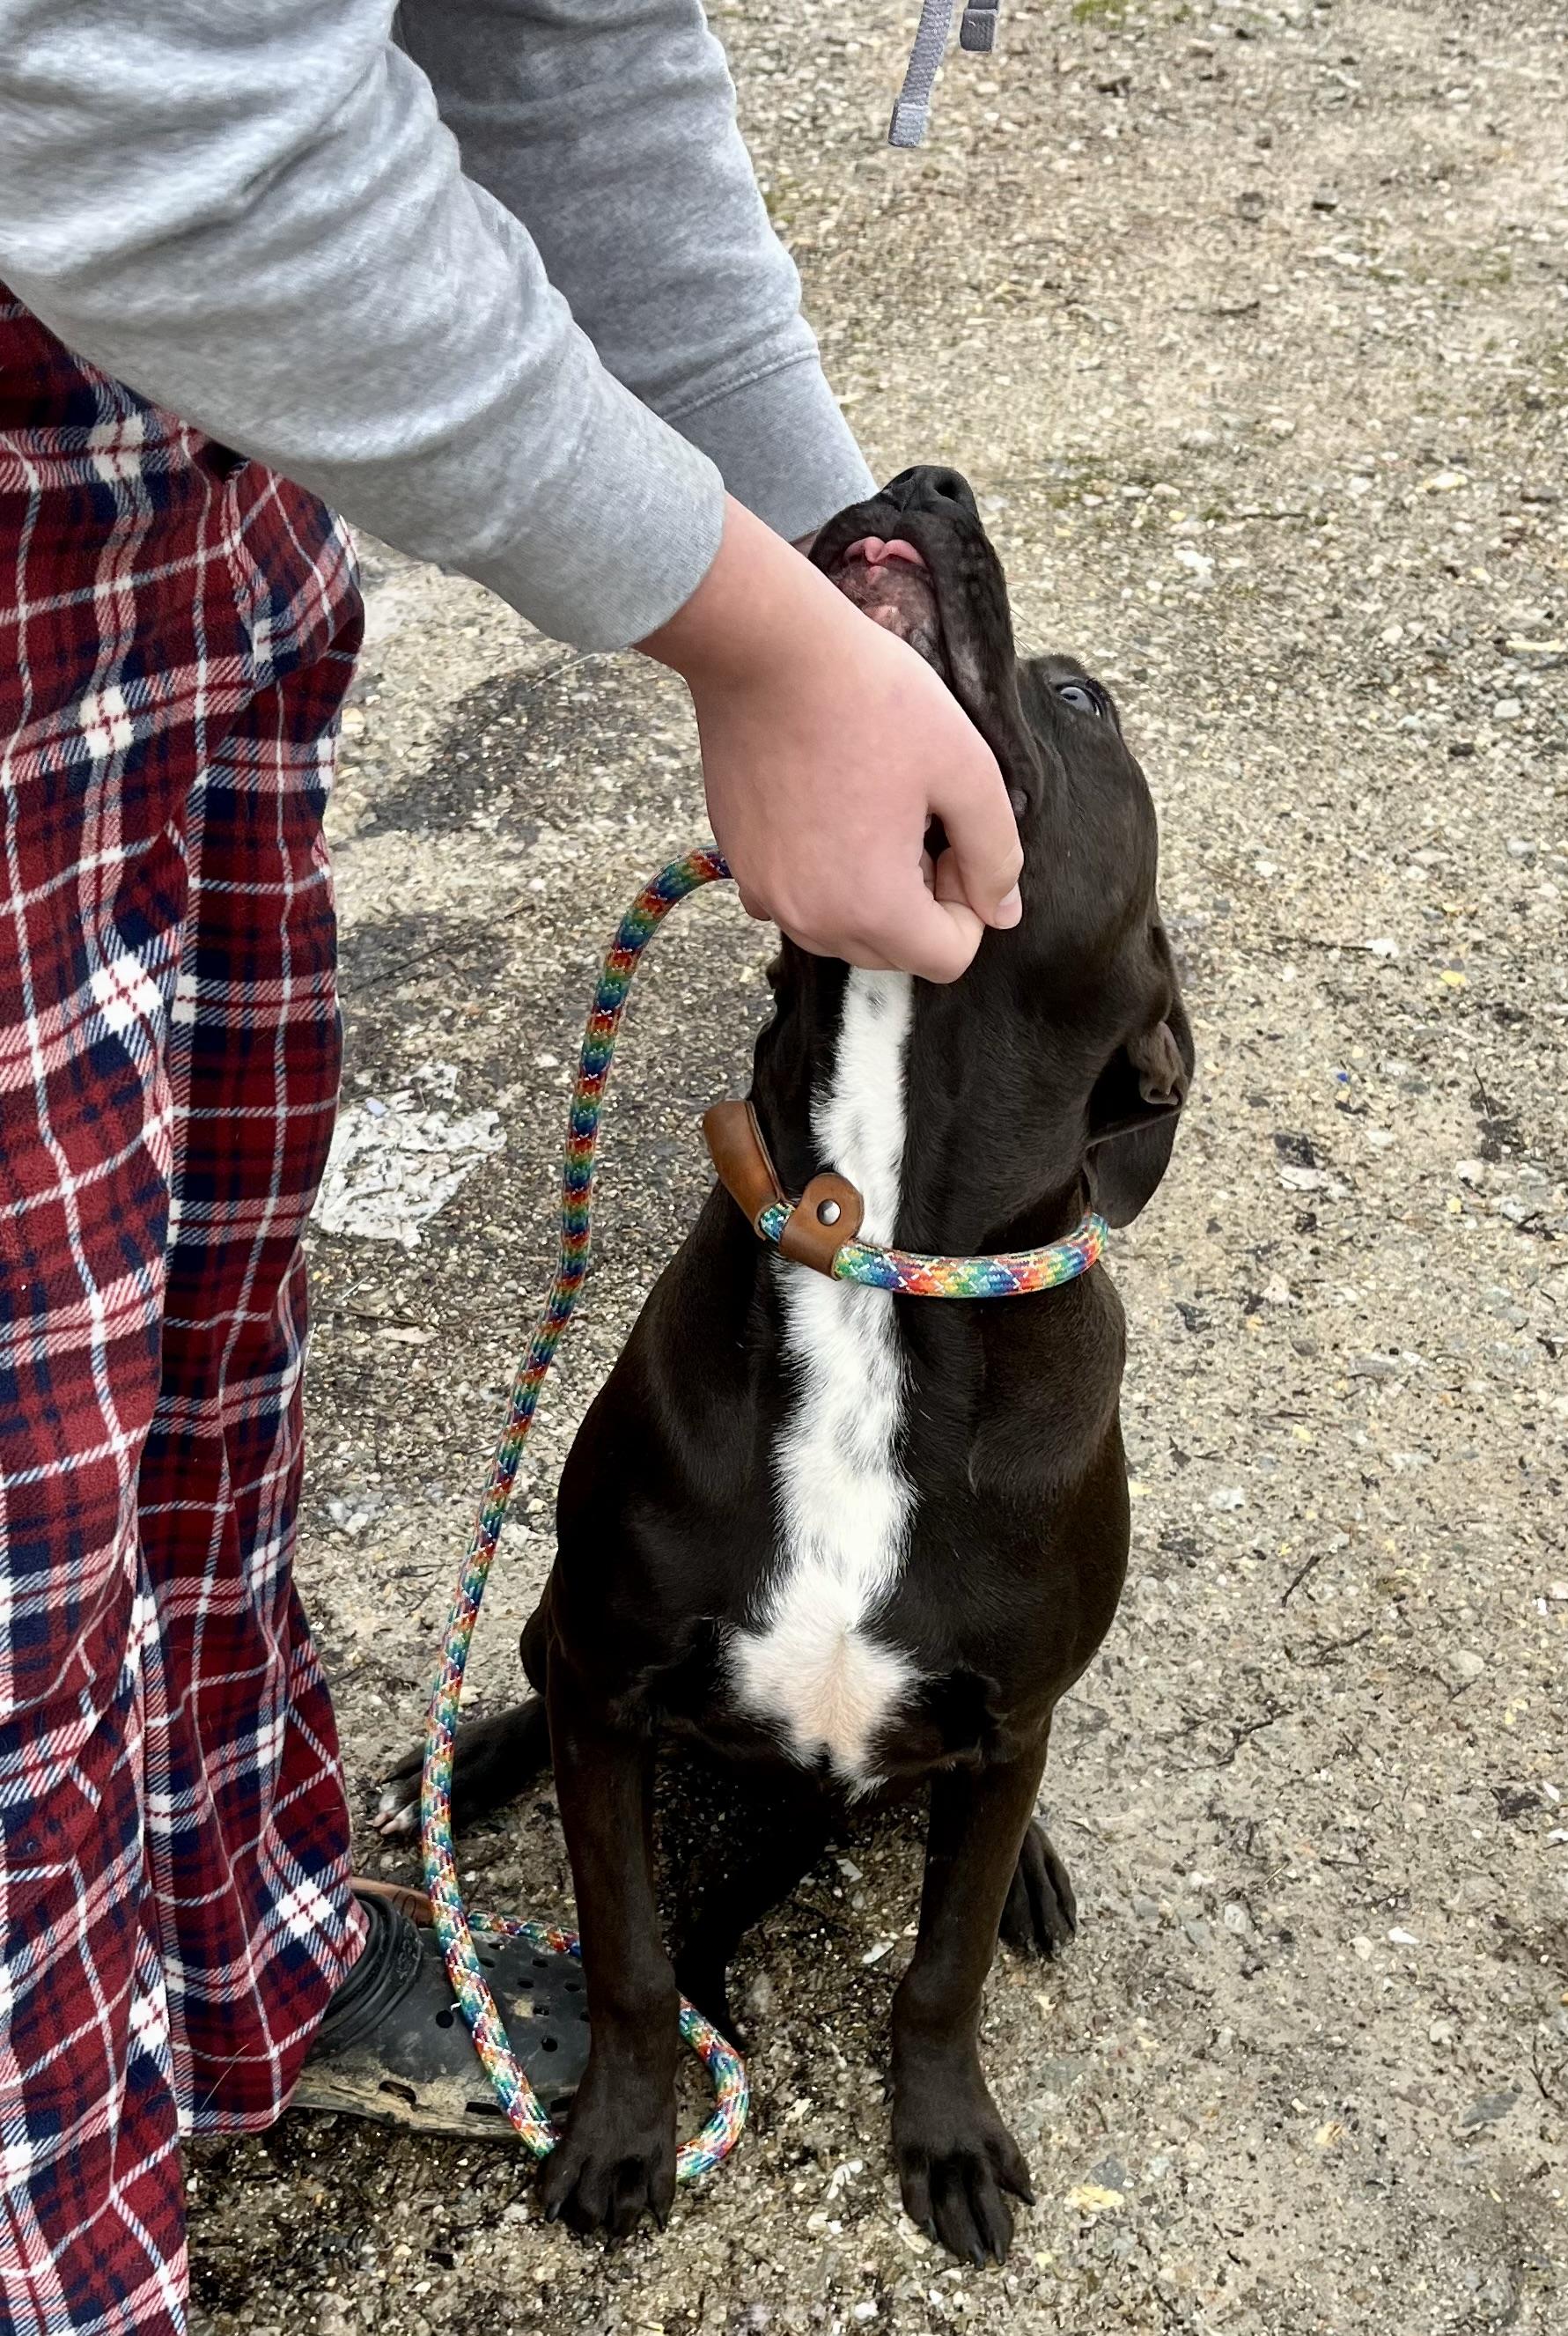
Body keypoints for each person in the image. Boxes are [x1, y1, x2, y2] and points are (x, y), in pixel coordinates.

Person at [0, 3, 1022, 2329]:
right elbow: (125, 99)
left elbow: (541, 34)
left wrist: (842, 592)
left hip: (154, 534)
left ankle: (214, 1964)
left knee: (173, 1371)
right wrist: (759, 645)